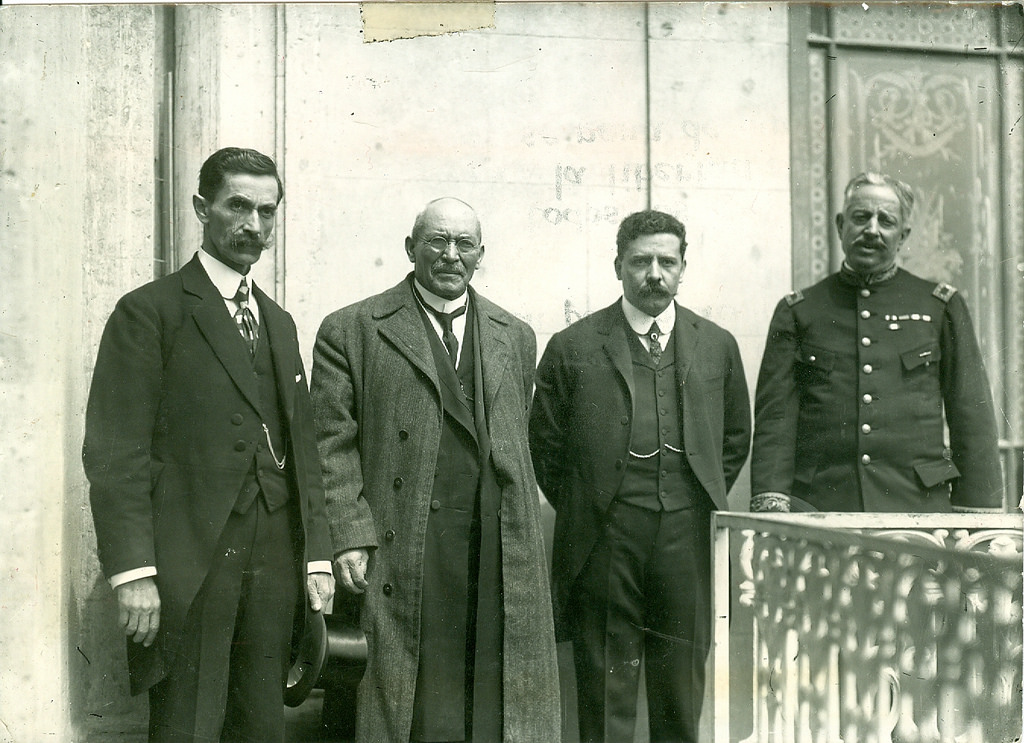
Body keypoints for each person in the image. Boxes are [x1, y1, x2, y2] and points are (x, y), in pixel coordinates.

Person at [82, 147, 335, 742]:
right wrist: (134, 573)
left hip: (274, 556)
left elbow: (303, 448)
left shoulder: (277, 322)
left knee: (262, 724)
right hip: (191, 559)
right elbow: (116, 453)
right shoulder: (150, 312)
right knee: (187, 724)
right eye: (238, 206)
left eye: (267, 212)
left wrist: (316, 554)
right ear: (202, 208)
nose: (254, 225)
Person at [310, 197, 560, 743]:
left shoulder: (513, 334)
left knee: (493, 700)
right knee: (411, 704)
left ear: (480, 255)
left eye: (463, 244)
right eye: (436, 242)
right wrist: (350, 535)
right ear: (411, 248)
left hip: (495, 549)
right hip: (406, 544)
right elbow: (330, 445)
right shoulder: (353, 329)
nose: (450, 255)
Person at [529, 210, 751, 743]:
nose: (654, 273)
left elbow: (735, 438)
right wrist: (596, 501)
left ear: (682, 268)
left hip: (686, 535)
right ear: (618, 266)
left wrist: (689, 496)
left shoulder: (716, 344)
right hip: (605, 538)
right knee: (606, 688)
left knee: (680, 684)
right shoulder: (573, 345)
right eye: (641, 261)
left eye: (666, 262)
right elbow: (546, 446)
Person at [751, 172, 1004, 513]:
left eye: (886, 220)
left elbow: (971, 416)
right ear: (841, 226)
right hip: (821, 505)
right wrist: (772, 508)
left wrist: (976, 514)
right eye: (860, 217)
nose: (872, 229)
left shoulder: (939, 306)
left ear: (903, 235)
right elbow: (775, 421)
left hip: (918, 506)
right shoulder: (799, 311)